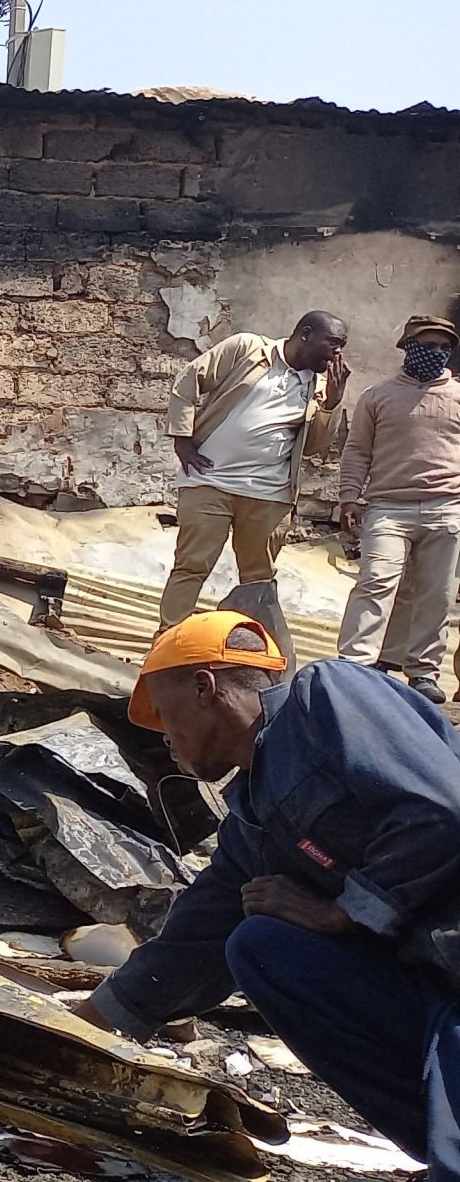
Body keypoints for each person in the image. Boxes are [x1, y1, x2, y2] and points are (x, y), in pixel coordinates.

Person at [72, 612, 460, 1179]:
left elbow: (441, 811)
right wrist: (90, 1027)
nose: (163, 735)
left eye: (164, 712)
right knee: (261, 946)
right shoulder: (253, 816)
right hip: (433, 985)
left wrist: (345, 912)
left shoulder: (327, 697)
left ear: (206, 688)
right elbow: (193, 939)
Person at [158, 311, 351, 639]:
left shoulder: (320, 384)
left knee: (258, 579)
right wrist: (182, 439)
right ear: (305, 334)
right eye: (332, 343)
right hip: (210, 480)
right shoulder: (247, 348)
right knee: (191, 565)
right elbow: (189, 381)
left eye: (342, 346)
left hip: (269, 494)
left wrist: (331, 403)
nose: (338, 354)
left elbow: (313, 448)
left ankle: (243, 650)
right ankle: (167, 642)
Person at [337, 315, 460, 707]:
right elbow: (357, 450)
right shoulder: (377, 396)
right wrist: (348, 496)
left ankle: (423, 671)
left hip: (448, 506)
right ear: (408, 347)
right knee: (376, 581)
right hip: (388, 507)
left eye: (445, 347)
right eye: (429, 345)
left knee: (436, 595)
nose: (437, 353)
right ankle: (355, 666)